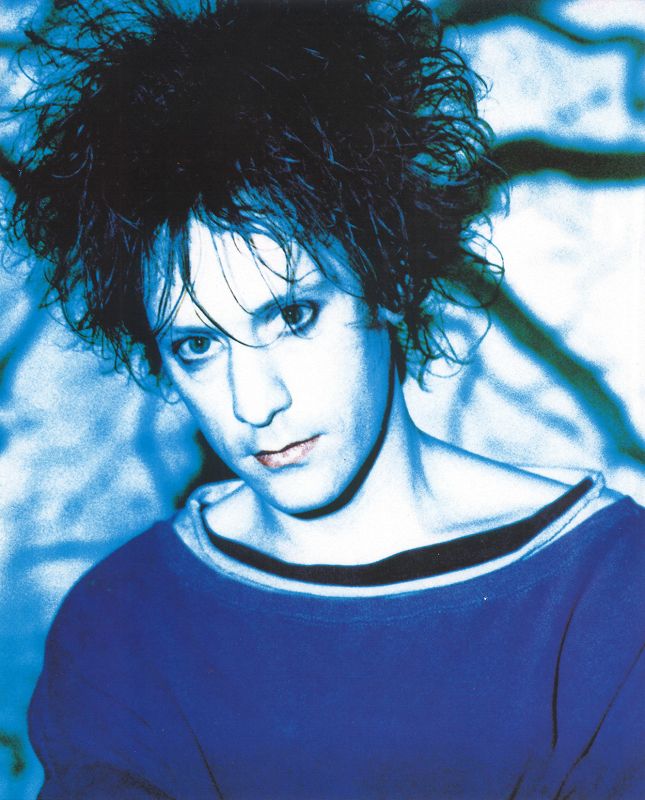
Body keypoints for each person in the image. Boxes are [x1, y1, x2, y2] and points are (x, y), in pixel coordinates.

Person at [7, 1, 643, 797]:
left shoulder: (603, 590)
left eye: (291, 316)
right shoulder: (124, 627)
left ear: (388, 280)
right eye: (198, 346)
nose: (253, 401)